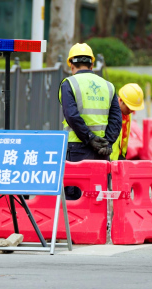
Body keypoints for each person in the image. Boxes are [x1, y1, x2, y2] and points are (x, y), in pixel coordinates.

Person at [59, 43, 122, 199]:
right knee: (98, 197)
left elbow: (72, 116)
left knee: (76, 198)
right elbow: (116, 119)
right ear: (92, 65)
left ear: (71, 65)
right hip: (102, 151)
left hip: (76, 149)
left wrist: (89, 138)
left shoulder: (69, 84)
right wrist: (107, 143)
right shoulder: (109, 86)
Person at [110, 83, 145, 161]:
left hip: (119, 157)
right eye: (129, 107)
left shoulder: (128, 113)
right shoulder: (110, 111)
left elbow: (124, 137)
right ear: (121, 100)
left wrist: (122, 155)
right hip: (109, 159)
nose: (131, 111)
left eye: (133, 108)